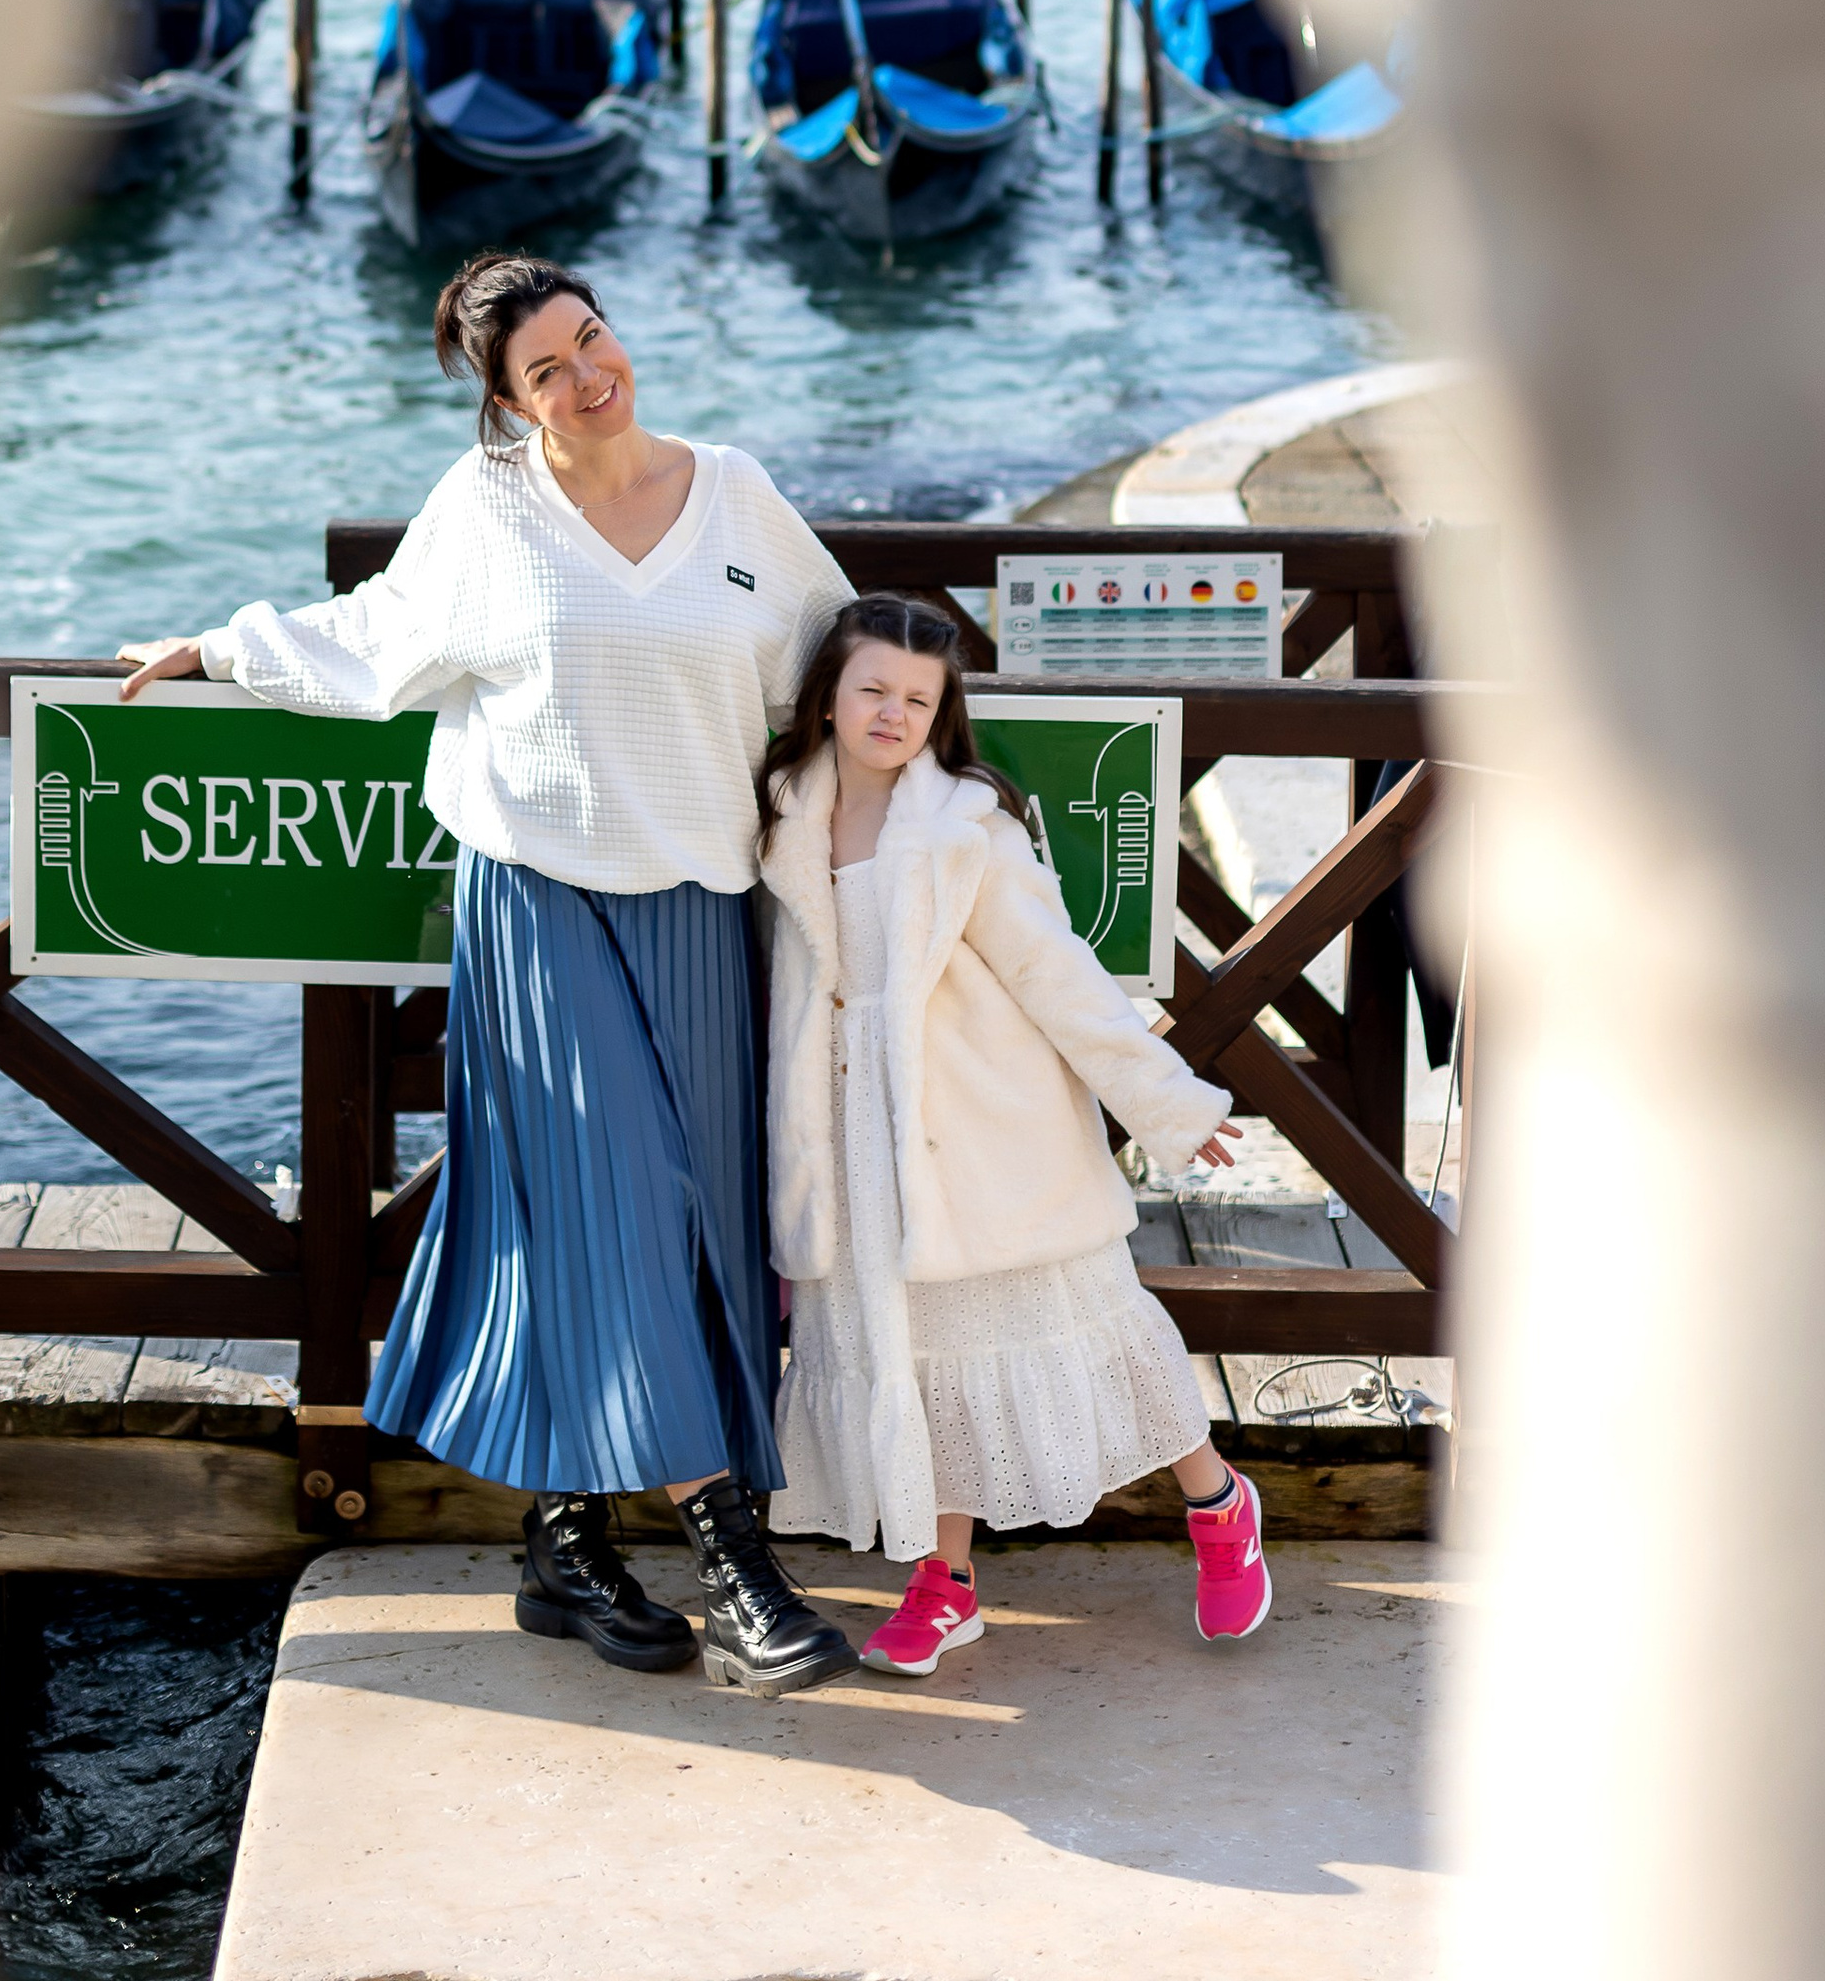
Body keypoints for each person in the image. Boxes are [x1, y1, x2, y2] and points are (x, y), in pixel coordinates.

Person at [116, 250, 863, 1697]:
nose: (588, 377)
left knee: (688, 1227)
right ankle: (736, 1569)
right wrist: (220, 648)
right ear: (508, 402)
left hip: (702, 910)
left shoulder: (736, 495)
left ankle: (564, 1544)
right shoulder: (488, 506)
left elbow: (837, 665)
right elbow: (378, 640)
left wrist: (944, 744)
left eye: (592, 338)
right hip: (536, 907)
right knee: (626, 1204)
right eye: (545, 371)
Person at [755, 595, 1274, 1673]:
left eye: (918, 698)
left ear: (941, 712)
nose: (893, 713)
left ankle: (1220, 1504)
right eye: (873, 689)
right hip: (848, 1140)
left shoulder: (966, 832)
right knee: (914, 1353)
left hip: (981, 1134)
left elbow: (1058, 975)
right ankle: (943, 1582)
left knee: (1089, 1323)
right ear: (828, 696)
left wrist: (1167, 1100)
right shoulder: (785, 817)